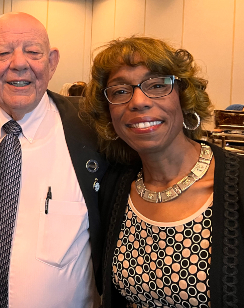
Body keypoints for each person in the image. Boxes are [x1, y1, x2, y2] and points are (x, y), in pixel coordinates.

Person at [0, 12, 107, 307]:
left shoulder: (94, 129)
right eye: (3, 53)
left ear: (52, 62)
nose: (19, 64)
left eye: (33, 52)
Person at [81, 36, 244, 307]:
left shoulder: (236, 185)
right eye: (120, 91)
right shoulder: (115, 187)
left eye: (157, 85)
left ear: (184, 96)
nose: (139, 101)